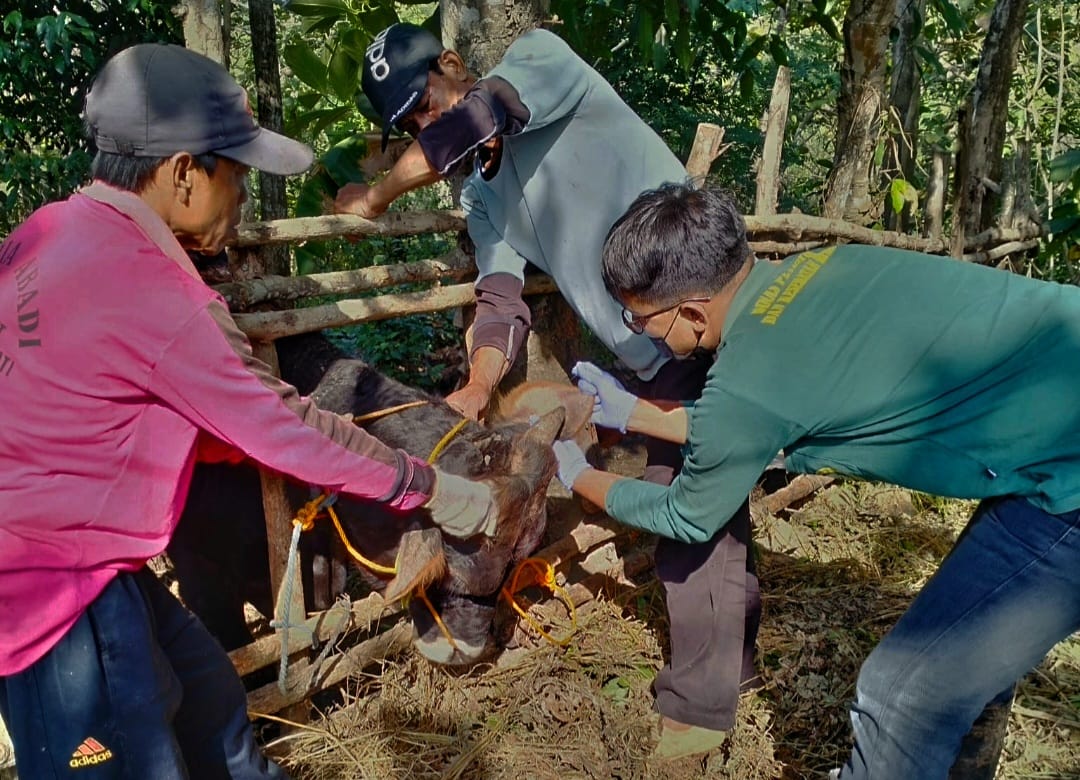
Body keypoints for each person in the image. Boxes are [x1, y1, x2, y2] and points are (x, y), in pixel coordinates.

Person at [0, 43, 501, 780]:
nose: (240, 195)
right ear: (181, 174)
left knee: (211, 707)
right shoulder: (158, 295)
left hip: (91, 565)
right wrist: (429, 487)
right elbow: (289, 428)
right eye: (234, 173)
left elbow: (82, 394)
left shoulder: (43, 233)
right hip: (56, 605)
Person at [553, 181, 1080, 779]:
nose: (637, 331)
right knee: (965, 670)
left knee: (903, 693)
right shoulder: (814, 272)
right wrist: (634, 413)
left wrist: (579, 475)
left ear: (693, 312)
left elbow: (686, 513)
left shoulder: (749, 375)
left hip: (1068, 482)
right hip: (1054, 427)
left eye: (639, 317)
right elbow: (755, 418)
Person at [335, 22, 761, 756]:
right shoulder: (484, 200)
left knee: (691, 512)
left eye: (424, 107)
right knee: (709, 497)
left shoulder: (539, 65)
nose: (423, 129)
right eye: (405, 125)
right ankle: (736, 666)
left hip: (703, 310)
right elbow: (501, 304)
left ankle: (697, 713)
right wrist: (475, 385)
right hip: (648, 349)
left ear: (455, 66)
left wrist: (374, 197)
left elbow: (479, 117)